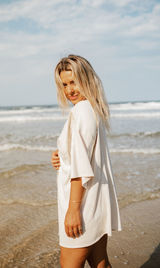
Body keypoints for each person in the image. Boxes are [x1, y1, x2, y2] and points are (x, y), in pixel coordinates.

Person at [51, 55, 122, 268]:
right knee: (101, 264)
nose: (70, 90)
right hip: (96, 204)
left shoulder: (81, 111)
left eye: (74, 82)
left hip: (83, 207)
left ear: (86, 80)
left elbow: (82, 169)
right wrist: (62, 156)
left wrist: (73, 210)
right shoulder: (92, 109)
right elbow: (83, 155)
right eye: (65, 84)